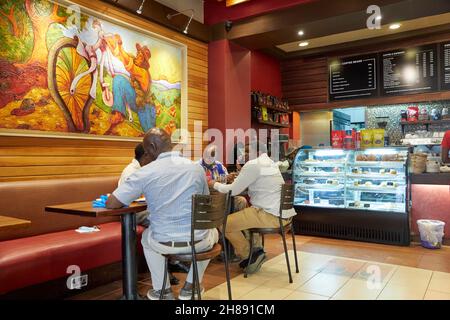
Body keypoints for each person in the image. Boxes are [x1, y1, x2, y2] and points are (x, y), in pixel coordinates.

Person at [106, 128, 218, 300]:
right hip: (199, 241)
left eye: (147, 150)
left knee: (146, 239)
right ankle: (191, 284)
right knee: (213, 232)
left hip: (163, 242)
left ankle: (163, 290)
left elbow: (112, 203)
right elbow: (205, 202)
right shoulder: (196, 169)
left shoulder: (145, 172)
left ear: (151, 147)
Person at [208, 142, 296, 275]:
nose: (244, 156)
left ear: (256, 152)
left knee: (224, 224)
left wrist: (214, 184)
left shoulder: (254, 164)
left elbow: (232, 190)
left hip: (268, 215)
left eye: (247, 152)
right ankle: (256, 250)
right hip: (282, 214)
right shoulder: (271, 163)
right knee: (244, 211)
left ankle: (249, 256)